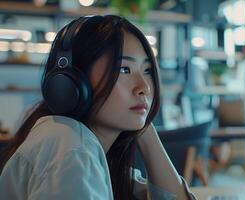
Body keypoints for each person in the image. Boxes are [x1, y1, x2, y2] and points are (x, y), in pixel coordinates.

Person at [0, 15, 197, 200]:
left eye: (147, 70)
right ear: (71, 82)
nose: (144, 87)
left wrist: (146, 132)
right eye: (124, 69)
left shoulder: (92, 152)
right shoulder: (69, 145)